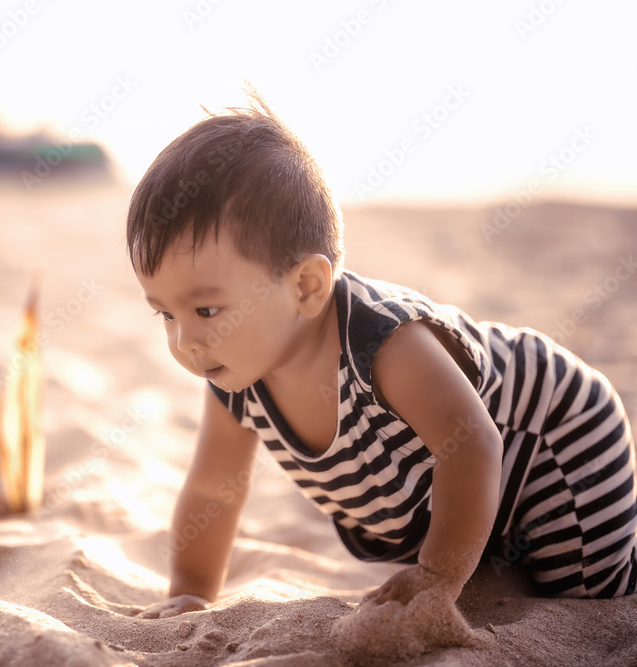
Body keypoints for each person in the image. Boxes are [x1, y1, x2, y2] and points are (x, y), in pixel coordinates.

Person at [127, 93, 637, 620]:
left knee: (583, 588)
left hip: (555, 436)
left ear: (305, 286)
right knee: (499, 572)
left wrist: (438, 576)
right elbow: (214, 489)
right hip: (465, 495)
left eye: (207, 310)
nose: (184, 340)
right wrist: (188, 591)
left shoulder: (384, 342)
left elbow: (473, 444)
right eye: (165, 314)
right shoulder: (234, 378)